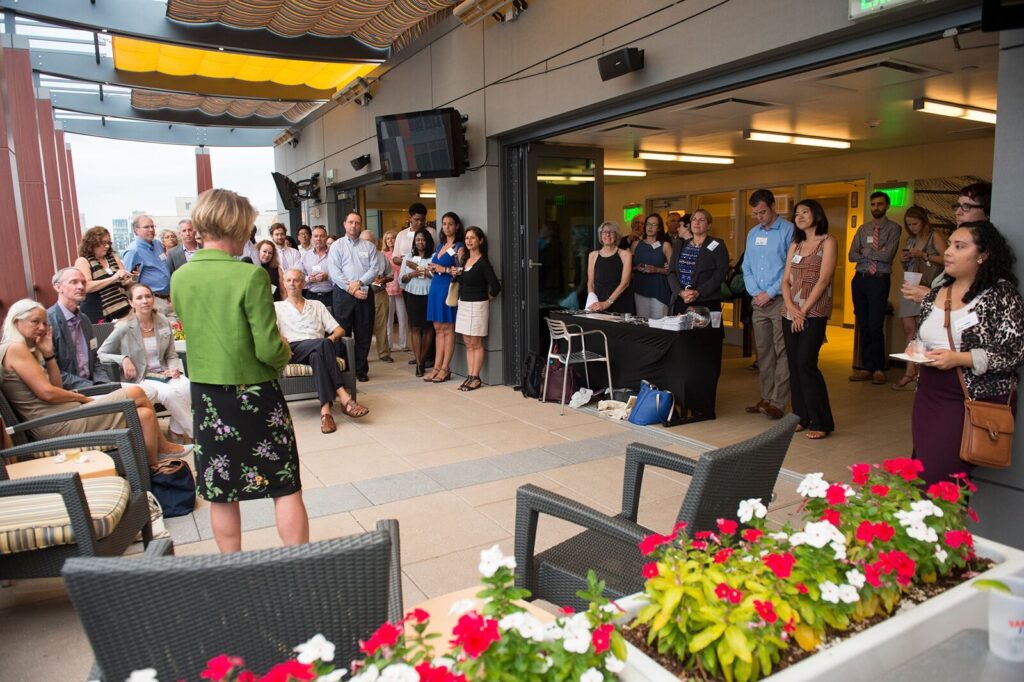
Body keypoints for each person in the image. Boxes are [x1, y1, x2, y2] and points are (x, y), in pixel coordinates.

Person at [172, 187, 308, 552]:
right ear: (236, 226)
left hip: (207, 396)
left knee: (221, 488)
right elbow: (267, 347)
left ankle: (232, 566)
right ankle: (300, 564)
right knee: (284, 483)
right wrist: (283, 352)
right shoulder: (250, 277)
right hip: (256, 393)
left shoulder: (180, 278)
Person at [1, 299, 188, 466]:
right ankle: (164, 448)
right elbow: (48, 393)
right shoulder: (16, 348)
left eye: (44, 323)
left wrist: (49, 354)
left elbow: (56, 387)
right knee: (136, 393)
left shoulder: (27, 349)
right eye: (35, 322)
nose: (42, 328)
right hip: (54, 423)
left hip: (63, 414)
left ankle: (152, 467)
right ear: (16, 321)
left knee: (145, 415)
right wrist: (81, 398)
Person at [911, 221, 1024, 486]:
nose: (948, 251)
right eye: (950, 244)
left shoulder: (1000, 295)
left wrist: (960, 358)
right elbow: (924, 335)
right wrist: (915, 347)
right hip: (929, 394)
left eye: (959, 246)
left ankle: (939, 527)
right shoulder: (936, 294)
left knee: (939, 478)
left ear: (983, 255)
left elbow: (1014, 353)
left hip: (969, 397)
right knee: (924, 471)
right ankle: (937, 526)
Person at [275, 268, 368, 433]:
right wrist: (280, 338)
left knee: (318, 354)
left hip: (317, 349)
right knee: (323, 344)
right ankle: (344, 396)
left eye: (296, 280)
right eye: (288, 280)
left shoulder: (316, 305)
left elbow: (339, 330)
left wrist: (332, 338)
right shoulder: (277, 307)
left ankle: (325, 413)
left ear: (303, 283)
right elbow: (269, 332)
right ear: (283, 283)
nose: (292, 284)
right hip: (294, 350)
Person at [98, 283, 192, 442]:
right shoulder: (124, 327)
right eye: (139, 298)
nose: (145, 301)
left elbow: (171, 354)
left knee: (187, 386)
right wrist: (123, 359)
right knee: (168, 394)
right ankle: (196, 433)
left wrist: (174, 368)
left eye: (148, 296)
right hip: (142, 377)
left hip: (163, 372)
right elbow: (101, 353)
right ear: (131, 302)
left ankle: (175, 430)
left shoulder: (162, 321)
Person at [781, 199, 837, 440]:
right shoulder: (796, 244)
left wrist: (803, 311)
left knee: (806, 363)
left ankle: (821, 421)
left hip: (814, 312)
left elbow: (824, 280)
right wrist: (792, 308)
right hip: (790, 311)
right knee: (793, 364)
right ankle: (800, 416)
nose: (800, 216)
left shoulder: (828, 242)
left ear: (817, 214)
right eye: (797, 213)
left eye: (805, 212)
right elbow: (785, 281)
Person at [742, 189, 795, 420]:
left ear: (774, 207)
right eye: (755, 213)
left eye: (762, 212)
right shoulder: (753, 233)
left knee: (782, 349)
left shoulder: (788, 230)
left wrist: (771, 292)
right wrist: (756, 292)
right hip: (758, 301)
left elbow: (790, 267)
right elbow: (747, 267)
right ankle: (765, 397)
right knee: (763, 351)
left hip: (781, 299)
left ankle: (778, 401)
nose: (759, 217)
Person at [902, 182, 991, 305]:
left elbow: (966, 308)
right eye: (958, 206)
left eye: (966, 206)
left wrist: (929, 296)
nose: (957, 212)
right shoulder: (910, 239)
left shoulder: (994, 288)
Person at [848, 191, 901, 385]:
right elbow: (852, 255)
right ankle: (866, 367)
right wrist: (875, 252)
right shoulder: (863, 229)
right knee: (863, 324)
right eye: (873, 204)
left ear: (886, 206)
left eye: (879, 204)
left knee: (875, 325)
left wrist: (866, 251)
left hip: (879, 280)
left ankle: (879, 368)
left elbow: (887, 257)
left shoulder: (894, 228)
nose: (875, 208)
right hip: (860, 279)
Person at [894, 205, 946, 390]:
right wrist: (904, 260)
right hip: (910, 285)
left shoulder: (935, 236)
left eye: (915, 224)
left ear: (923, 221)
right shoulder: (910, 240)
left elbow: (947, 259)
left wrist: (923, 254)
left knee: (922, 330)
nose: (913, 227)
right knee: (909, 328)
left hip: (929, 287)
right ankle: (910, 371)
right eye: (909, 225)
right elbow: (909, 269)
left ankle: (916, 372)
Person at [328, 212, 377, 383]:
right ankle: (344, 368)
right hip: (343, 294)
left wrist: (359, 282)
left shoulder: (369, 247)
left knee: (364, 332)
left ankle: (361, 369)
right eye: (351, 222)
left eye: (357, 223)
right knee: (342, 332)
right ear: (344, 224)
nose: (354, 226)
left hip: (364, 293)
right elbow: (335, 272)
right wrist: (351, 288)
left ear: (361, 225)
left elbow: (374, 269)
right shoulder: (336, 246)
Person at [47, 267, 115, 390]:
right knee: (138, 397)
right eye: (74, 282)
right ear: (58, 287)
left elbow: (94, 359)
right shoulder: (48, 322)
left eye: (83, 282)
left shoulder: (84, 320)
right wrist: (91, 387)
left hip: (94, 385)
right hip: (71, 391)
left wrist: (103, 383)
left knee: (145, 394)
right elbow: (51, 370)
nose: (81, 287)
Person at [454, 227, 501, 391]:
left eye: (472, 238)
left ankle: (476, 377)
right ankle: (470, 375)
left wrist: (486, 298)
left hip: (477, 305)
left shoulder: (483, 262)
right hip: (464, 304)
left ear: (480, 241)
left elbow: (495, 286)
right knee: (468, 343)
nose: (468, 241)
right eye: (467, 238)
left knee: (476, 342)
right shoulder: (464, 260)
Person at [425, 211, 465, 383]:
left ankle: (445, 368)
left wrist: (445, 270)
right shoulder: (440, 245)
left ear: (456, 226)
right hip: (435, 288)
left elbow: (462, 271)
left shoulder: (459, 247)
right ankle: (436, 367)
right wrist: (432, 268)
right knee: (438, 329)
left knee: (448, 330)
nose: (447, 227)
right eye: (444, 224)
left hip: (448, 289)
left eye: (450, 224)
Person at [668, 208, 729, 314]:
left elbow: (721, 273)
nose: (696, 222)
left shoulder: (717, 244)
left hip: (706, 301)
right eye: (694, 219)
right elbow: (671, 272)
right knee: (682, 331)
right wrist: (680, 292)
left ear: (709, 225)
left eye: (701, 220)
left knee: (704, 331)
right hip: (682, 300)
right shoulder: (680, 245)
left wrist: (698, 292)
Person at [74, 226, 133, 324]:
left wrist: (129, 281)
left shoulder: (113, 258)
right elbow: (87, 286)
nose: (107, 246)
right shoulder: (83, 261)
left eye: (109, 243)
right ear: (91, 243)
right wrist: (113, 278)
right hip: (97, 312)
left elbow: (125, 283)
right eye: (103, 243)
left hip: (122, 310)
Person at [122, 214, 173, 317]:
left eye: (152, 226)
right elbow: (126, 283)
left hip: (169, 299)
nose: (151, 229)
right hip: (153, 301)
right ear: (136, 230)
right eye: (146, 227)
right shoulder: (133, 251)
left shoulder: (157, 244)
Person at [399, 228, 435, 377]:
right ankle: (418, 361)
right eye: (418, 240)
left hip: (429, 295)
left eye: (423, 239)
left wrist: (425, 272)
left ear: (428, 241)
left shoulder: (433, 257)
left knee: (428, 328)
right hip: (412, 295)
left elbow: (436, 276)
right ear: (414, 242)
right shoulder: (408, 257)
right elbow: (401, 278)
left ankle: (423, 360)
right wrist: (412, 273)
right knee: (415, 328)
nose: (420, 242)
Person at [361, 230, 394, 364]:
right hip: (362, 294)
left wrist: (384, 279)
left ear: (375, 242)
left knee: (382, 324)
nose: (368, 244)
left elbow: (391, 275)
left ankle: (384, 352)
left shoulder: (381, 256)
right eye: (365, 241)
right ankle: (362, 355)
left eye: (371, 241)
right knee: (363, 326)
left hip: (379, 293)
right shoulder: (357, 256)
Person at [631, 214, 673, 319]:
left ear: (659, 228)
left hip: (659, 290)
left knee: (659, 325)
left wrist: (656, 269)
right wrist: (636, 268)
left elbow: (673, 271)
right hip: (640, 289)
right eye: (648, 224)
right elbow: (627, 269)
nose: (650, 227)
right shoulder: (635, 244)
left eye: (654, 225)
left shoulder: (665, 245)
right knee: (643, 324)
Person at [588, 221, 634, 314]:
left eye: (611, 232)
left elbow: (625, 283)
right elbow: (590, 283)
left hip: (620, 301)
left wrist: (607, 303)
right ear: (600, 235)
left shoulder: (626, 254)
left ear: (616, 235)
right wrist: (593, 301)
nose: (607, 235)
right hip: (598, 302)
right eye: (604, 232)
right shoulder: (593, 255)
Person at [382, 230, 408, 352]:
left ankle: (403, 343)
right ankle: (389, 344)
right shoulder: (383, 254)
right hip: (387, 288)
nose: (391, 240)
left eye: (393, 238)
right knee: (389, 318)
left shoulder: (400, 254)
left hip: (400, 287)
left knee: (403, 317)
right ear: (385, 241)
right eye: (388, 238)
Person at [393, 203, 437, 267]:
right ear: (410, 218)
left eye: (422, 220)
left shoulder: (431, 232)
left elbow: (436, 254)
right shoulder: (401, 234)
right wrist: (408, 263)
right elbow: (395, 258)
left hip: (425, 270)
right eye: (416, 219)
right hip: (405, 272)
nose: (420, 223)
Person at [300, 225, 333, 308]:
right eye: (316, 236)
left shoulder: (334, 254)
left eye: (322, 236)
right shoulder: (306, 256)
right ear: (312, 238)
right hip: (311, 296)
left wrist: (328, 277)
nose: (318, 239)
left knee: (330, 320)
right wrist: (308, 279)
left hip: (330, 296)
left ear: (326, 237)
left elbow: (341, 276)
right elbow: (300, 276)